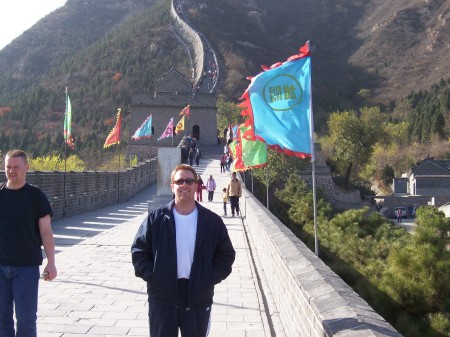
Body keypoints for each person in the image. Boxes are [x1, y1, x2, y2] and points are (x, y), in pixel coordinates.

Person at [131, 164, 235, 337]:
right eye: (179, 181)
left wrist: (208, 278)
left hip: (197, 296)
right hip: (163, 295)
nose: (184, 185)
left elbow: (226, 255)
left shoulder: (211, 221)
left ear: (196, 185)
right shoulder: (156, 219)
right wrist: (154, 276)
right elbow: (139, 251)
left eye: (189, 181)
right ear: (172, 186)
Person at [0, 150, 57, 337]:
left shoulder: (36, 196)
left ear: (26, 167)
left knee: (25, 319)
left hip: (26, 267)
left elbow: (46, 231)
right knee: (2, 320)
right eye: (8, 166)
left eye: (16, 167)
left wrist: (51, 262)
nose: (12, 171)